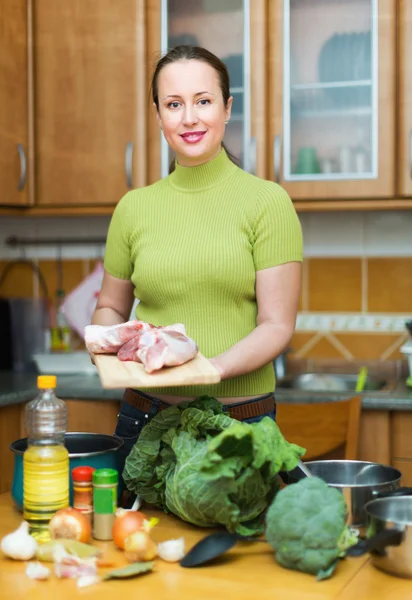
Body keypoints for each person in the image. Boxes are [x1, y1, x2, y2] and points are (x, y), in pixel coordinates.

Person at [92, 45, 303, 487]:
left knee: (240, 554)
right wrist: (108, 348)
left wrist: (208, 369)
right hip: (145, 421)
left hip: (239, 423)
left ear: (227, 108)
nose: (189, 118)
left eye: (203, 101)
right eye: (174, 104)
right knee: (139, 546)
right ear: (158, 115)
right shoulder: (133, 208)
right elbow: (110, 308)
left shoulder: (267, 203)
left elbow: (276, 325)